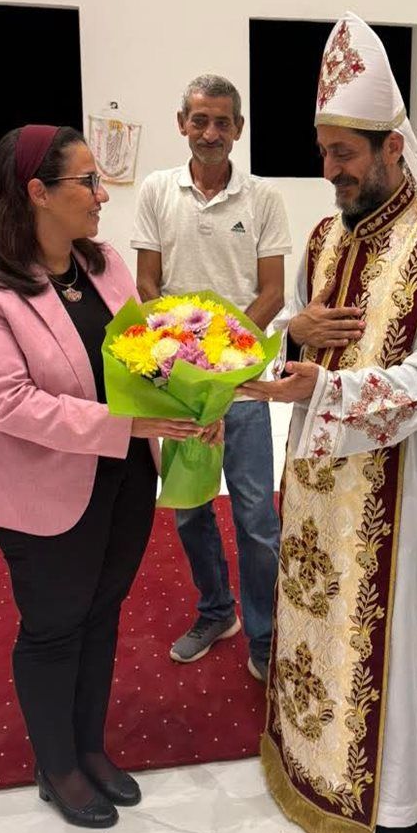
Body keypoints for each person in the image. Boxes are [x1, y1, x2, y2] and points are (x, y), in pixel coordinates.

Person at [244, 13, 417, 833]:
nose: (331, 171)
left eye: (345, 154)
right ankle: (307, 764)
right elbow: (297, 332)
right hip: (319, 489)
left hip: (408, 495)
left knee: (400, 640)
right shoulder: (324, 236)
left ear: (393, 146)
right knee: (314, 627)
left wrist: (325, 386)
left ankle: (402, 797)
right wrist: (292, 342)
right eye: (324, 153)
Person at [0, 125, 220, 829]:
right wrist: (127, 426)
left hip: (122, 480)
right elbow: (5, 402)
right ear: (37, 192)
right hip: (43, 489)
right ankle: (57, 764)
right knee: (54, 626)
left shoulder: (102, 265)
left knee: (101, 613)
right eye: (88, 182)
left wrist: (198, 400)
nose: (103, 195)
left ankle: (89, 748)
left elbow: (144, 356)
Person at [132, 75, 291, 682]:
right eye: (199, 120)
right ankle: (216, 611)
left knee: (257, 519)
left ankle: (264, 634)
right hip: (179, 387)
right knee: (190, 511)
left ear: (238, 129)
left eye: (223, 121)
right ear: (182, 124)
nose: (210, 132)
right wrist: (184, 363)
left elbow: (271, 292)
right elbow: (148, 283)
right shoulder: (156, 190)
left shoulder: (263, 199)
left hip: (242, 387)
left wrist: (221, 364)